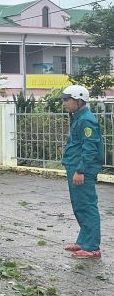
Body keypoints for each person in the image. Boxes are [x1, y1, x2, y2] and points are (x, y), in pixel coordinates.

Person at [61, 85, 103, 259]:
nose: (64, 103)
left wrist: (80, 170)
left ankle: (92, 247)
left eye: (67, 100)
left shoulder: (86, 120)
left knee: (87, 206)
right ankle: (84, 241)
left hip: (82, 170)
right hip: (75, 167)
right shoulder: (78, 117)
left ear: (78, 100)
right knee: (79, 206)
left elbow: (90, 149)